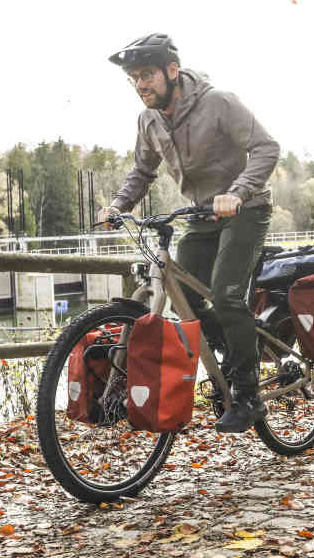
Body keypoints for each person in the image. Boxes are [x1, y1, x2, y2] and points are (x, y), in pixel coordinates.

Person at [98, 33, 279, 433]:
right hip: (200, 217)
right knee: (188, 305)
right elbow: (142, 172)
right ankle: (235, 353)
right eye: (133, 78)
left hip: (245, 209)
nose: (140, 84)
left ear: (172, 71)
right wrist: (118, 206)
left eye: (147, 74)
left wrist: (236, 192)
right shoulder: (148, 120)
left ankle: (249, 396)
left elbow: (267, 148)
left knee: (227, 294)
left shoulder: (219, 103)